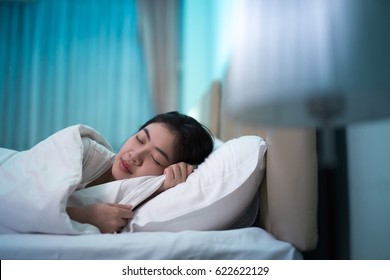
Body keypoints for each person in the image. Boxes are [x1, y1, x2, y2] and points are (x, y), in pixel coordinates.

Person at [66, 111, 214, 233]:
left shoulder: (142, 199)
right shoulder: (81, 152)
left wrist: (162, 188)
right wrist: (87, 216)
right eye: (140, 139)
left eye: (156, 159)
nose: (135, 155)